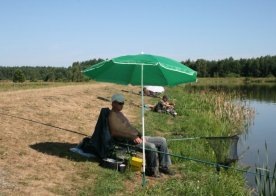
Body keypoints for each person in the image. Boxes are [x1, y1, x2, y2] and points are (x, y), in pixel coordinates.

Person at [108, 94, 174, 177]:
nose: (122, 105)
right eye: (119, 103)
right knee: (151, 146)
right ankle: (151, 171)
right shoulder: (112, 116)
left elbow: (130, 128)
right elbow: (116, 132)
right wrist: (133, 137)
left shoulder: (119, 114)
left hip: (135, 137)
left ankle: (164, 166)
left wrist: (140, 135)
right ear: (113, 103)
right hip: (128, 141)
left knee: (162, 140)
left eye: (123, 103)